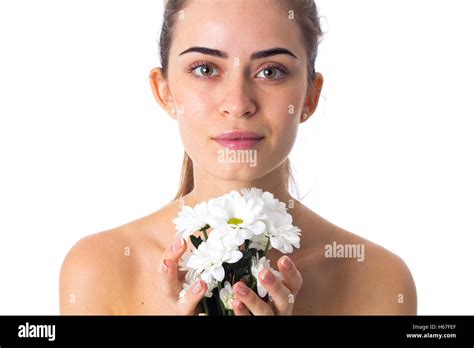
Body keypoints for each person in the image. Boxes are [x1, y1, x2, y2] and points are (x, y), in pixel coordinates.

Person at [60, 0, 417, 315]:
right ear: (164, 91)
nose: (238, 103)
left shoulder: (379, 280)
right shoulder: (98, 270)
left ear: (310, 96)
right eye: (205, 69)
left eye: (270, 71)